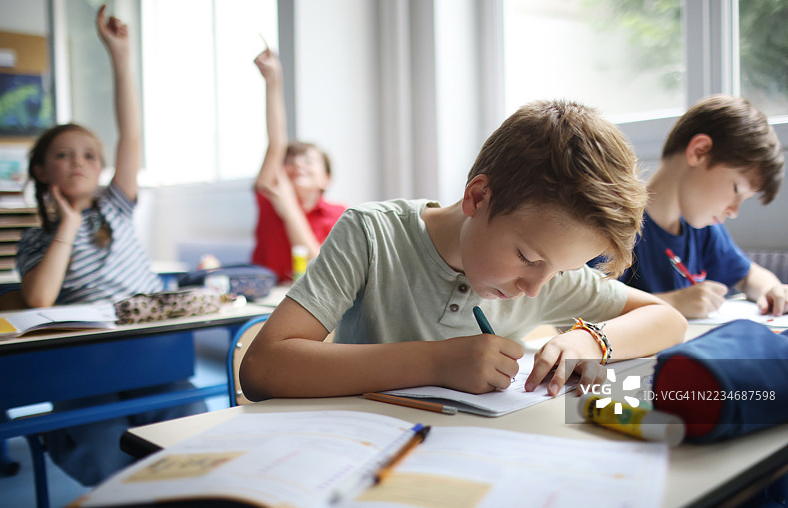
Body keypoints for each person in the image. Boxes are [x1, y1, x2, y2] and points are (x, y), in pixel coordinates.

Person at [239, 99, 687, 403]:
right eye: (528, 259)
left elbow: (668, 319)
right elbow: (261, 368)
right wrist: (435, 362)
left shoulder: (547, 271)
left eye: (559, 271)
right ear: (478, 197)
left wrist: (589, 340)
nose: (535, 289)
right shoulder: (372, 234)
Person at [16, 6, 204, 508]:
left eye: (90, 156)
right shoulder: (37, 241)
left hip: (152, 358)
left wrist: (120, 55)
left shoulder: (116, 209)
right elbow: (38, 299)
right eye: (63, 155)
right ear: (40, 170)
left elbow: (132, 135)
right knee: (105, 454)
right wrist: (68, 226)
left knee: (183, 442)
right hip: (85, 369)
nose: (79, 162)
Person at [602, 94, 786, 319]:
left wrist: (772, 290)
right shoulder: (614, 221)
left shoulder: (703, 228)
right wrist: (672, 303)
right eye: (736, 189)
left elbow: (748, 276)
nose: (734, 211)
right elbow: (583, 303)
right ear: (699, 152)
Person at [251, 45, 346, 283]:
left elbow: (321, 270)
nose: (298, 165)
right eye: (290, 161)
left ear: (326, 179)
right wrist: (273, 81)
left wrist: (289, 208)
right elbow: (277, 142)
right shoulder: (269, 197)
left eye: (309, 161)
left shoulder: (340, 216)